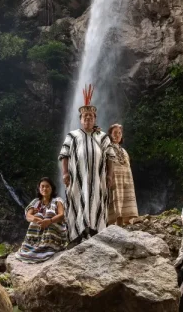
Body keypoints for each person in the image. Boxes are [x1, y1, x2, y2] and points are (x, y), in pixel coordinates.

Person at [59, 84, 115, 245]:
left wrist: (109, 175)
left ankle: (96, 231)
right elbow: (64, 155)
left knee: (97, 201)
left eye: (91, 116)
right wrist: (65, 173)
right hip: (77, 178)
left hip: (98, 177)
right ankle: (77, 233)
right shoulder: (72, 135)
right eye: (85, 116)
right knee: (77, 200)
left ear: (95, 119)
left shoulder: (103, 136)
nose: (88, 118)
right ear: (80, 119)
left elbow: (110, 157)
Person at [15, 177, 67, 263]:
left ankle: (49, 246)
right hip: (38, 231)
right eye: (42, 186)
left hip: (54, 232)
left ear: (52, 188)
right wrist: (37, 219)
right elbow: (28, 216)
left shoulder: (58, 200)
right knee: (36, 216)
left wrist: (49, 221)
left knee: (49, 214)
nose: (44, 189)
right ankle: (33, 246)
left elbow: (61, 215)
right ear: (39, 188)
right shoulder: (36, 202)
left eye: (47, 186)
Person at [106, 124, 138, 226]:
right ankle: (114, 226)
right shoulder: (107, 149)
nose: (117, 135)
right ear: (110, 134)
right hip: (114, 181)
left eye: (119, 133)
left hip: (125, 181)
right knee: (116, 202)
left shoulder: (124, 151)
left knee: (124, 203)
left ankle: (122, 225)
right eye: (115, 133)